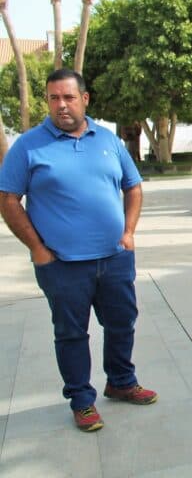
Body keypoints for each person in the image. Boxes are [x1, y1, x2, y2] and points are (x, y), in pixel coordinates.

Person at [0, 69, 157, 432]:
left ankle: (120, 381)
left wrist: (128, 232)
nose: (62, 105)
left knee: (122, 323)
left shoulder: (108, 139)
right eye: (54, 98)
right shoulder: (29, 145)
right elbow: (8, 200)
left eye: (69, 97)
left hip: (115, 258)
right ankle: (82, 401)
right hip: (63, 264)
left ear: (84, 99)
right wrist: (38, 248)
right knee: (71, 333)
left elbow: (133, 187)